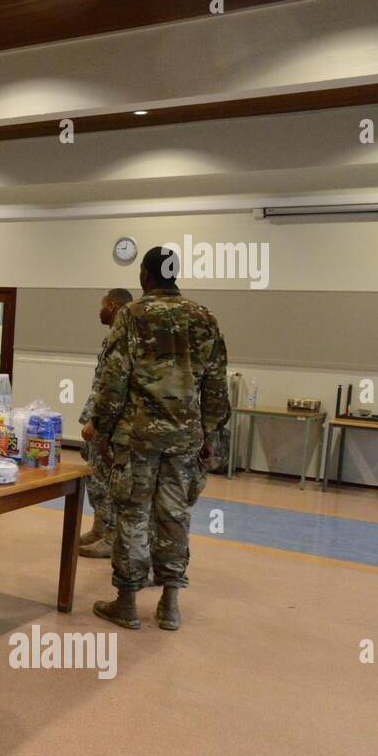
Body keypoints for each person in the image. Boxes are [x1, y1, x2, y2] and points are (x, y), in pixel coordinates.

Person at [87, 247, 229, 632]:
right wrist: (212, 435)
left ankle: (128, 602)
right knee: (174, 516)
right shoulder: (204, 317)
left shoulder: (132, 316)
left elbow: (113, 380)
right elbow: (215, 386)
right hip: (185, 439)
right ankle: (170, 605)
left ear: (146, 277)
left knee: (133, 514)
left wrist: (100, 428)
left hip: (137, 438)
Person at [77, 288, 134, 559]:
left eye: (102, 305)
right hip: (101, 415)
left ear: (112, 305)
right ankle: (99, 528)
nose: (99, 310)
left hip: (112, 423)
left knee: (109, 480)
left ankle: (111, 536)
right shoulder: (112, 337)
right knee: (96, 477)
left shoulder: (127, 338)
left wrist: (97, 422)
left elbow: (114, 387)